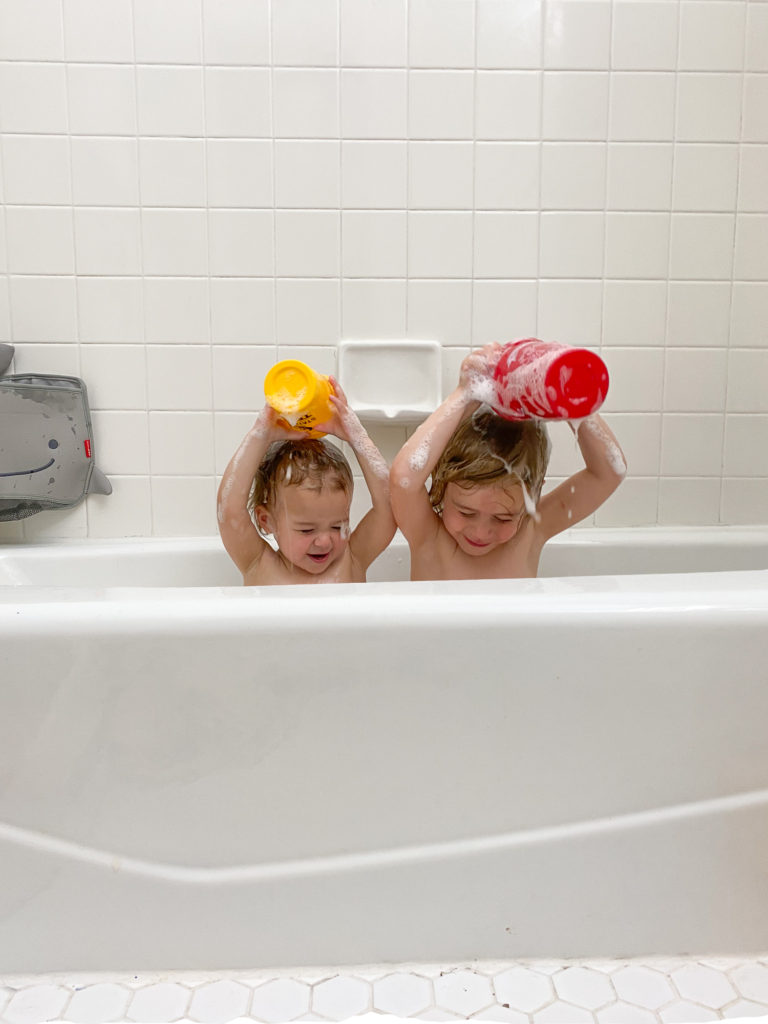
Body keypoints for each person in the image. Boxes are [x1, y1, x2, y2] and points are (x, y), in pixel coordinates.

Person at [390, 343, 626, 580]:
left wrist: (573, 403)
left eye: (503, 518)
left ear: (533, 495)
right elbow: (403, 479)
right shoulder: (429, 537)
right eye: (465, 512)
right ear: (441, 482)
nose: (481, 532)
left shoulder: (532, 530)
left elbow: (609, 473)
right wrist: (465, 394)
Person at [218, 378, 395, 585]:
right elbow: (229, 511)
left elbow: (388, 508)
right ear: (266, 521)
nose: (324, 541)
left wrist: (357, 437)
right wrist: (260, 435)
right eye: (306, 530)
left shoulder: (353, 558)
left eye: (337, 527)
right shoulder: (258, 563)